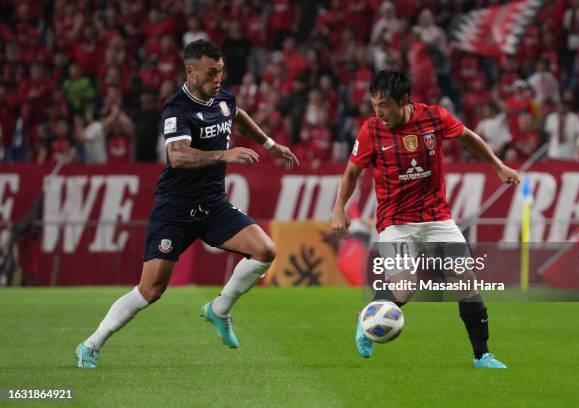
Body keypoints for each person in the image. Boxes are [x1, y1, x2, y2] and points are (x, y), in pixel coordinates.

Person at [75, 40, 299, 368]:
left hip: (213, 204)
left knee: (265, 250)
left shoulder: (222, 96)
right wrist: (225, 154)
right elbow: (177, 156)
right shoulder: (177, 108)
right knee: (150, 290)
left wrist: (269, 143)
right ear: (190, 72)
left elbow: (235, 115)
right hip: (176, 209)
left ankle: (219, 310)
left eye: (220, 72)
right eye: (211, 73)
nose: (217, 79)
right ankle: (91, 345)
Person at [331, 70, 520, 368]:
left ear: (404, 100)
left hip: (437, 218)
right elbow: (352, 172)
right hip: (395, 222)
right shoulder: (370, 131)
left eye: (385, 105)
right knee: (405, 287)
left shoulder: (434, 118)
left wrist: (498, 166)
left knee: (465, 280)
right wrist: (339, 207)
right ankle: (368, 321)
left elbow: (468, 137)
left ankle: (482, 355)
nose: (379, 112)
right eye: (374, 104)